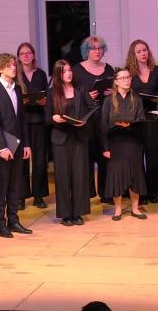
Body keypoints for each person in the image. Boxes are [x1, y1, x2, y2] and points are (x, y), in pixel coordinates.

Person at [0, 53, 33, 238]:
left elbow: (22, 120)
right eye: (9, 65)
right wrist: (2, 147)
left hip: (18, 144)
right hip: (3, 146)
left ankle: (14, 220)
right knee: (2, 186)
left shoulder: (18, 89)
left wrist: (27, 144)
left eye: (14, 64)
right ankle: (1, 224)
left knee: (15, 184)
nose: (14, 68)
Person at [46, 60, 92, 226]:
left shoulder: (81, 89)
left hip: (78, 136)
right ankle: (66, 214)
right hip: (61, 138)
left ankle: (78, 213)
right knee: (63, 176)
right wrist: (54, 118)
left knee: (80, 175)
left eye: (69, 70)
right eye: (64, 71)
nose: (68, 73)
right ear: (58, 74)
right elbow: (47, 117)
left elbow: (92, 108)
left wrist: (84, 120)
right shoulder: (52, 92)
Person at [71, 36, 115, 202]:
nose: (97, 51)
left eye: (100, 48)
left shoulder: (109, 69)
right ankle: (88, 192)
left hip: (105, 116)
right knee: (87, 155)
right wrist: (86, 96)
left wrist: (113, 92)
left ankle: (106, 193)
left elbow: (116, 89)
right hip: (87, 117)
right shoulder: (77, 70)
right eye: (93, 48)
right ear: (86, 51)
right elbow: (72, 94)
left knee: (106, 153)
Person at [101, 68, 148, 221]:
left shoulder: (136, 98)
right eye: (123, 78)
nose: (126, 80)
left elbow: (141, 120)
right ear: (116, 81)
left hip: (133, 141)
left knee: (135, 174)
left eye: (128, 77)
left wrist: (130, 125)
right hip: (116, 143)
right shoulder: (109, 100)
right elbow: (103, 125)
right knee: (117, 175)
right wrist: (105, 148)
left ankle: (135, 208)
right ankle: (118, 209)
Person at [126, 39, 158, 204]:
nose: (143, 53)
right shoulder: (129, 72)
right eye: (139, 51)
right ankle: (139, 191)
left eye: (145, 50)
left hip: (153, 116)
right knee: (137, 155)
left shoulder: (157, 71)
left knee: (153, 154)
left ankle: (153, 190)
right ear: (133, 55)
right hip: (136, 118)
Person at [16, 42, 49, 209]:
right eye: (23, 53)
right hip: (21, 122)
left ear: (33, 55)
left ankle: (38, 195)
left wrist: (44, 101)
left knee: (40, 160)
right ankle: (21, 196)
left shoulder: (40, 74)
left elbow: (46, 95)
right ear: (18, 57)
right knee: (22, 159)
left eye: (29, 52)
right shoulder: (16, 75)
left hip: (39, 121)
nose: (26, 56)